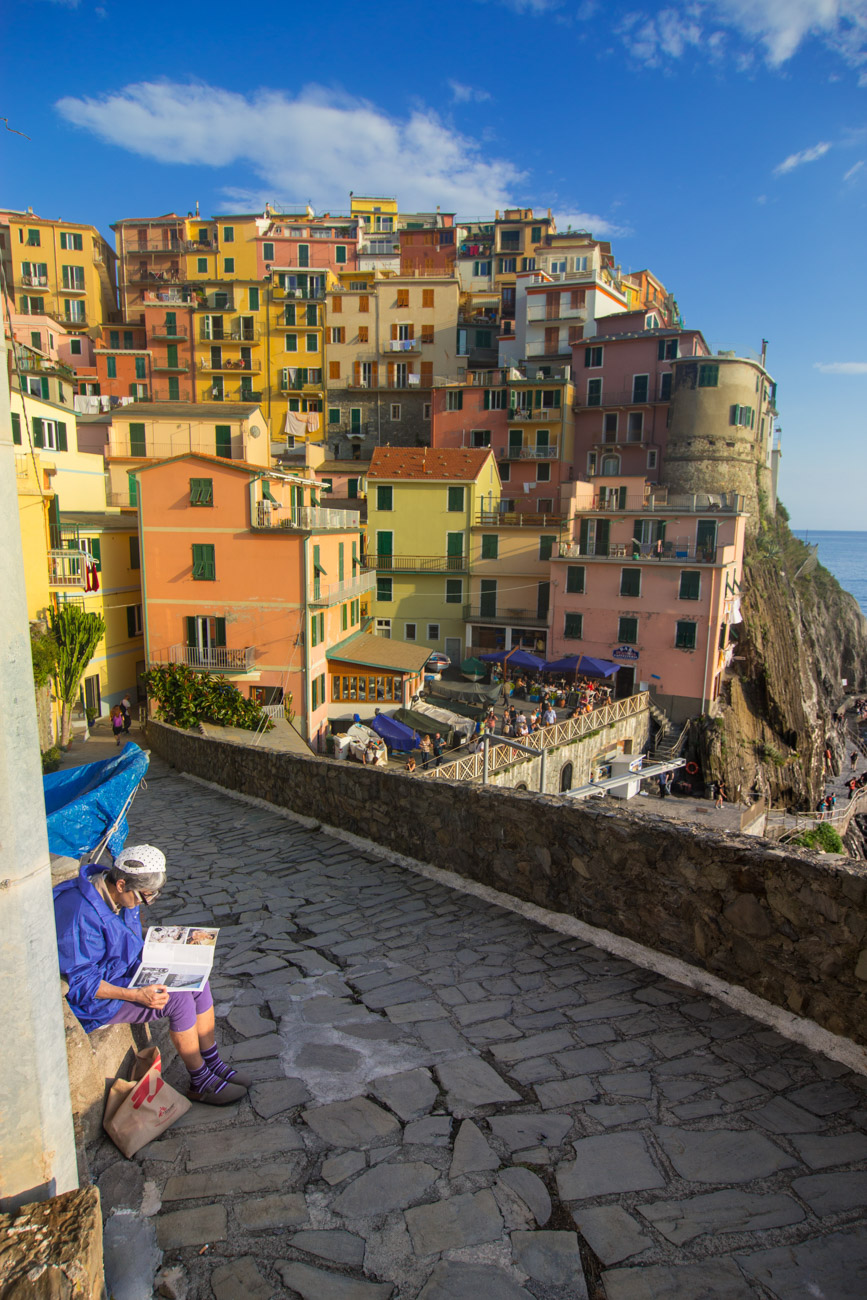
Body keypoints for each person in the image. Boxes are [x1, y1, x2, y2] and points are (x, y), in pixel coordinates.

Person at [53, 845, 249, 1106]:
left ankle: (212, 1062)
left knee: (197, 980)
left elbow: (124, 938)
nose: (145, 903)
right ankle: (200, 1080)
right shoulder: (79, 913)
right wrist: (134, 995)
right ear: (121, 883)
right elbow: (81, 982)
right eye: (144, 897)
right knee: (177, 1000)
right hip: (99, 997)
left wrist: (169, 944)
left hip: (125, 972)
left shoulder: (120, 895)